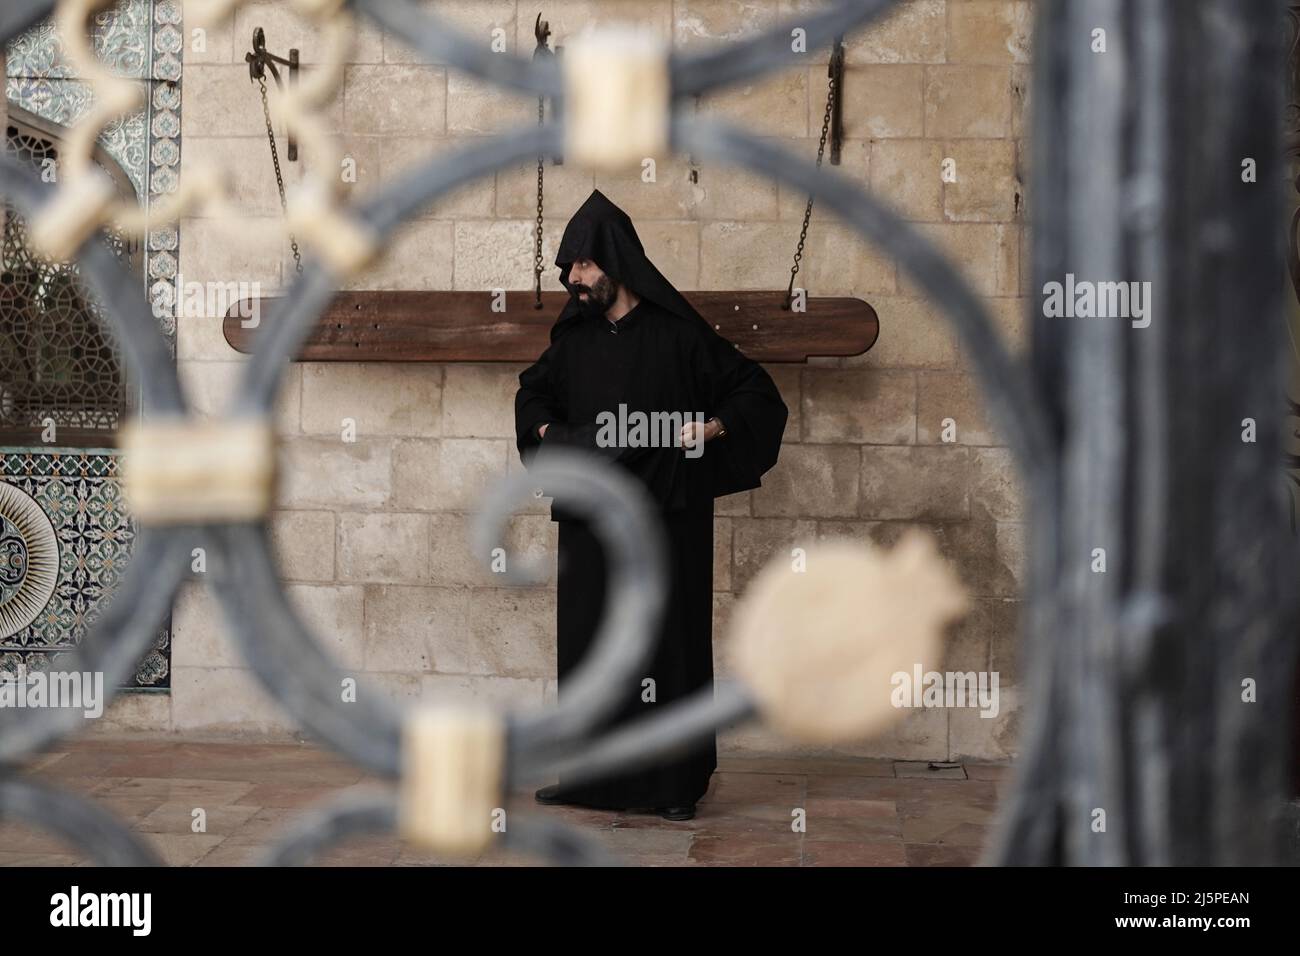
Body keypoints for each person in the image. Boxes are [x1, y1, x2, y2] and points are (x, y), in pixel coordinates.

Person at [514, 189, 787, 820]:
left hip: (668, 515)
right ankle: (589, 778)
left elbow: (754, 392)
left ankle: (673, 786)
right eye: (569, 269)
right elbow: (532, 394)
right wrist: (550, 433)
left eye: (582, 265)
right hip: (591, 519)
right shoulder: (574, 340)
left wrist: (709, 429)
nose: (574, 279)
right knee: (590, 645)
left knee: (667, 646)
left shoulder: (680, 337)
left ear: (616, 262)